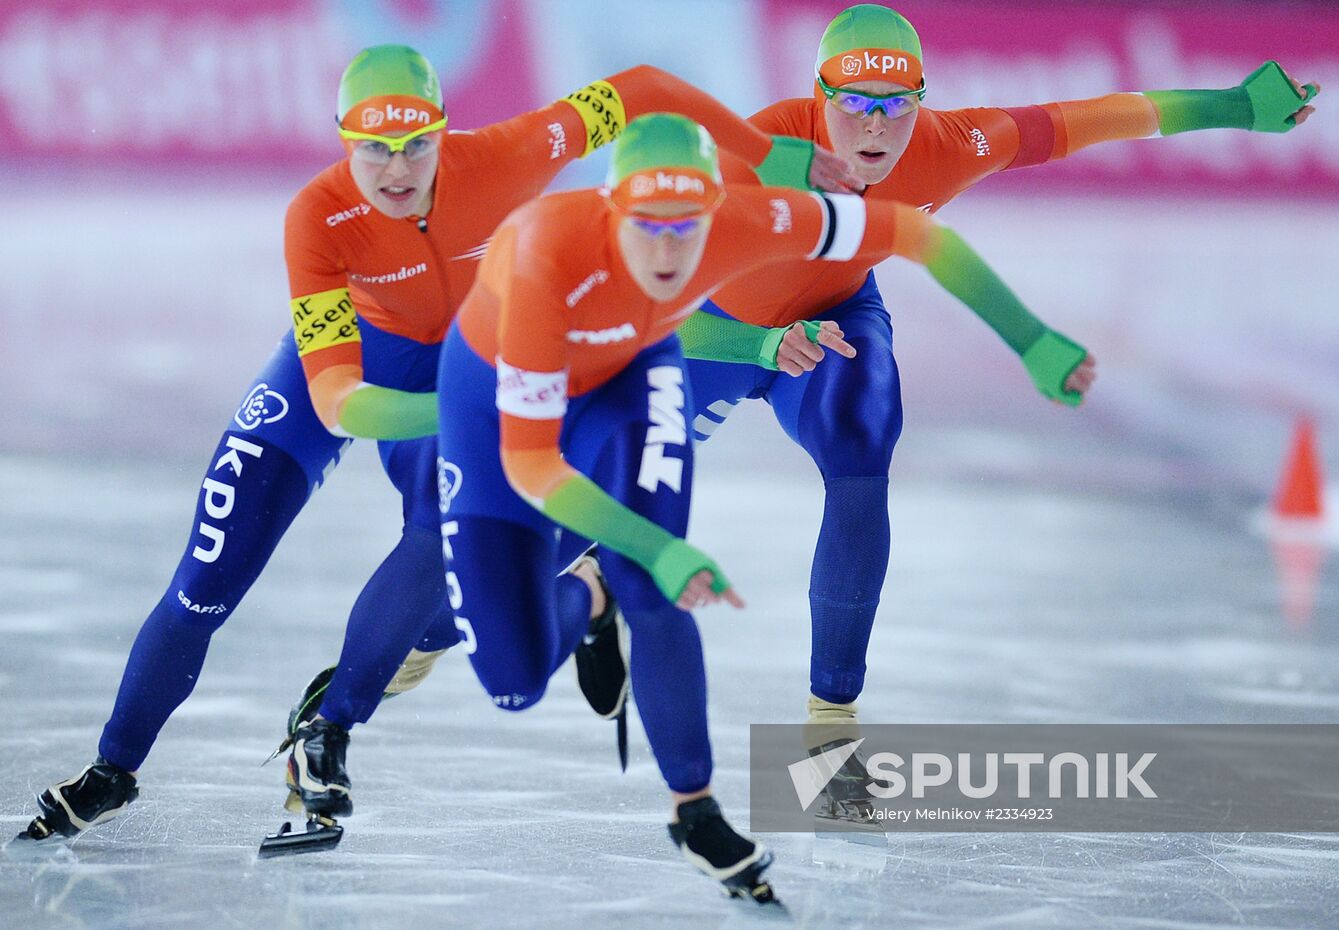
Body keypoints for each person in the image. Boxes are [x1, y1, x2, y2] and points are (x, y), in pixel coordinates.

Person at [13, 44, 855, 847]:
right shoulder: (318, 216)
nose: (396, 169)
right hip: (356, 378)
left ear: (444, 131)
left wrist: (766, 154)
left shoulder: (504, 156)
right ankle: (113, 769)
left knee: (449, 556)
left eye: (415, 144)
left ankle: (329, 729)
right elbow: (337, 400)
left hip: (462, 361)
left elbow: (638, 87)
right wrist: (451, 416)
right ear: (345, 144)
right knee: (207, 583)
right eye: (372, 149)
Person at [675, 3, 1319, 826]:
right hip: (711, 330)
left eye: (897, 106)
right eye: (854, 105)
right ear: (816, 96)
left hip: (835, 318)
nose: (875, 130)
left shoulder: (948, 147)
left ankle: (831, 732)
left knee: (863, 445)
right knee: (596, 521)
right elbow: (656, 309)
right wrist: (760, 350)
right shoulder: (754, 154)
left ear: (923, 101)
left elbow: (1093, 119)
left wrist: (1233, 106)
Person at [436, 110, 1092, 900]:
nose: (673, 250)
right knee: (514, 676)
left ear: (720, 211)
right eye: (650, 228)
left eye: (692, 227)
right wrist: (659, 535)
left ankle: (700, 805)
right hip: (533, 390)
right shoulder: (547, 262)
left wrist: (1031, 340)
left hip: (653, 364)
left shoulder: (756, 220)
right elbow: (532, 461)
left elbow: (922, 237)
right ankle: (589, 592)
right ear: (613, 216)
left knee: (663, 577)